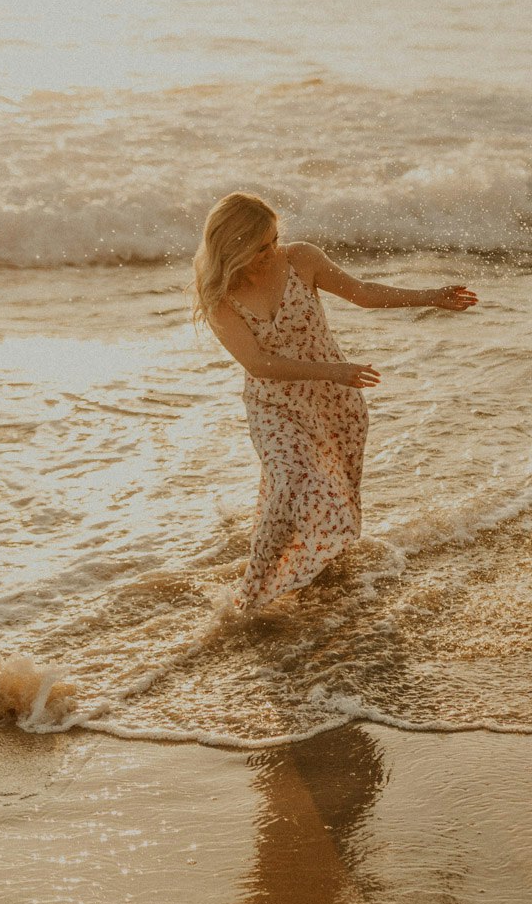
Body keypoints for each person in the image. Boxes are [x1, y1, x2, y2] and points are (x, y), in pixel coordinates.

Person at [192, 192, 477, 610]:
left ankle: (321, 581)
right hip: (276, 407)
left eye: (274, 239)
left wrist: (430, 296)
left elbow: (362, 293)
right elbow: (259, 364)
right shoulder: (219, 298)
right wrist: (335, 372)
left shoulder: (300, 260)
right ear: (233, 247)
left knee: (336, 498)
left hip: (335, 407)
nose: (273, 251)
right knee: (288, 485)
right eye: (261, 247)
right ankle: (253, 595)